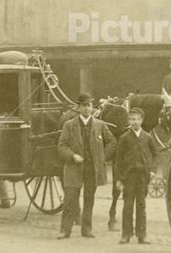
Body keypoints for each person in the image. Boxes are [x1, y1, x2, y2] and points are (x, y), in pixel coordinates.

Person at [57, 92, 116, 239]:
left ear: (92, 107)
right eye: (83, 106)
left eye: (89, 105)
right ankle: (65, 230)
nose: (86, 108)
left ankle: (87, 229)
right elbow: (61, 146)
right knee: (70, 199)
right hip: (73, 167)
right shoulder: (69, 125)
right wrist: (72, 155)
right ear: (78, 107)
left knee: (89, 199)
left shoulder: (100, 125)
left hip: (92, 168)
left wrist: (102, 157)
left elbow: (112, 143)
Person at [115, 107, 160, 244]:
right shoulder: (124, 138)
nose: (134, 122)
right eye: (131, 119)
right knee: (127, 206)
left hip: (142, 177)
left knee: (141, 205)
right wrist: (118, 179)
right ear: (128, 120)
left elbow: (156, 154)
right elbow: (118, 160)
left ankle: (142, 235)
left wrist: (152, 170)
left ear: (142, 120)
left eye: (137, 119)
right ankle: (126, 234)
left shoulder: (148, 137)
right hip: (128, 178)